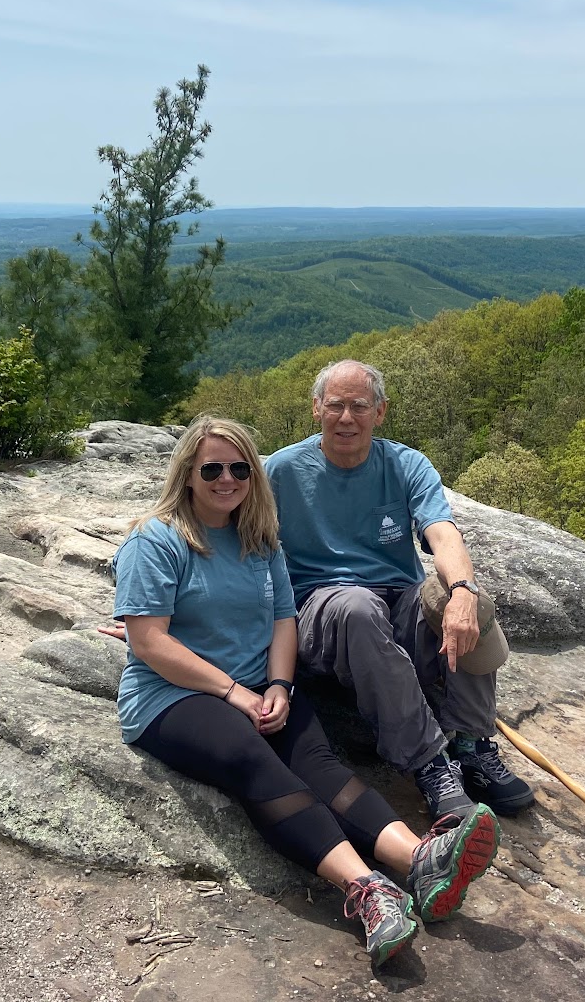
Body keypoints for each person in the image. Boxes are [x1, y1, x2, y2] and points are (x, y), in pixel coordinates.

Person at [112, 416, 499, 967]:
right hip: (171, 695)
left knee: (320, 764)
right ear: (187, 474)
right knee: (250, 759)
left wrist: (278, 684)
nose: (227, 479)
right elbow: (149, 641)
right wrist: (233, 693)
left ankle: (421, 861)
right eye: (212, 469)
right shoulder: (156, 539)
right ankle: (367, 888)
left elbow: (283, 620)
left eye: (240, 468)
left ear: (254, 474)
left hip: (258, 685)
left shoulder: (259, 539)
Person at [265, 360, 536, 822]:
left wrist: (464, 592)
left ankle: (471, 744)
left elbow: (442, 533)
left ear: (380, 411)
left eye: (359, 406)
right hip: (322, 606)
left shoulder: (406, 464)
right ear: (316, 408)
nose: (346, 418)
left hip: (396, 599)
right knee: (357, 607)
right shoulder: (282, 470)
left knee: (462, 601)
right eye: (335, 406)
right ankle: (430, 764)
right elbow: (238, 541)